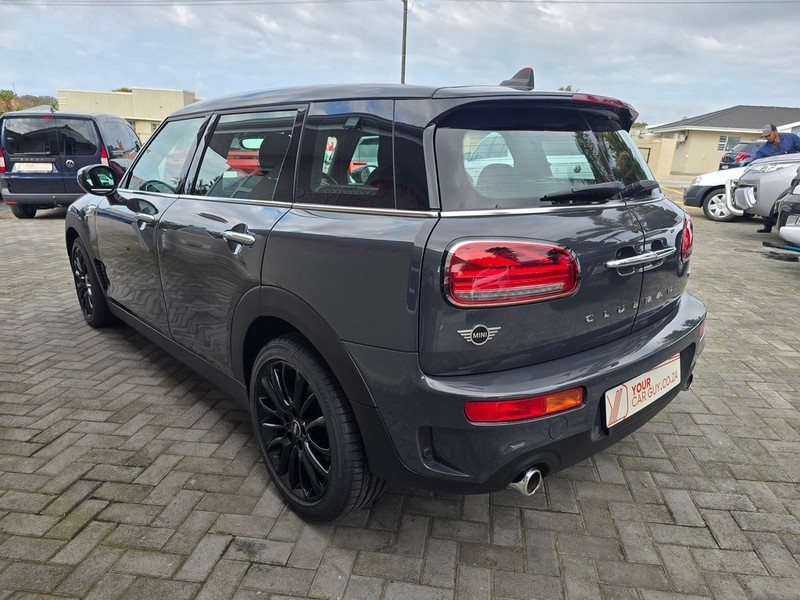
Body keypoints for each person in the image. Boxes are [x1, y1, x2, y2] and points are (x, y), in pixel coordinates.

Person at [744, 124, 800, 232]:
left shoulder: (791, 138)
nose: (767, 138)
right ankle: (768, 225)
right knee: (771, 197)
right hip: (778, 177)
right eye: (765, 136)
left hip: (794, 173)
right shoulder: (764, 149)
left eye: (768, 135)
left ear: (775, 132)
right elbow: (756, 160)